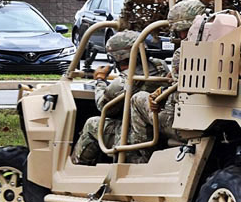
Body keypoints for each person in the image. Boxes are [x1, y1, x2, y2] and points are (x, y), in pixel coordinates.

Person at [73, 30, 170, 165]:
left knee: (92, 124)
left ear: (117, 58)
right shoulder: (160, 66)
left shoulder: (124, 82)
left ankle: (79, 167)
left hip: (136, 138)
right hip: (158, 130)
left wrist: (100, 80)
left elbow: (104, 107)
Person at [130, 0, 207, 148]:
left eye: (179, 30)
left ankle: (140, 158)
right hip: (211, 120)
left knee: (137, 99)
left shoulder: (186, 51)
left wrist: (162, 93)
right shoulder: (225, 44)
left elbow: (184, 92)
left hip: (184, 123)